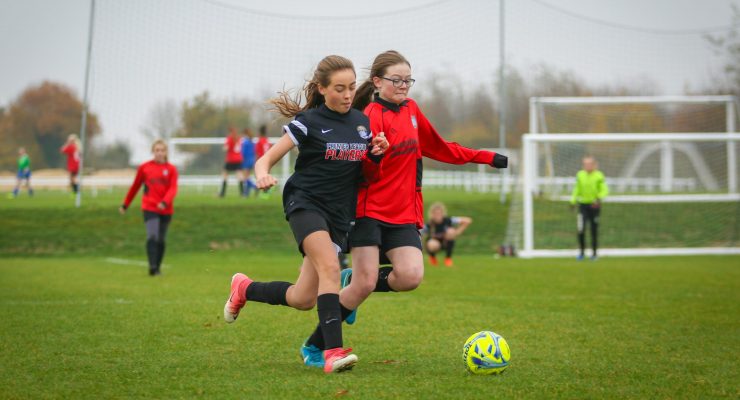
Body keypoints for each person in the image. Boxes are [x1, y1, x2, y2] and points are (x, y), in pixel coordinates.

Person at [299, 50, 508, 367]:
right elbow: (355, 168)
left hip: (404, 213)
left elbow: (438, 146)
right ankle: (316, 347)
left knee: (410, 276)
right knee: (364, 284)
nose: (404, 86)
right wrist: (373, 158)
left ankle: (350, 280)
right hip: (367, 211)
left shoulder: (411, 109)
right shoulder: (365, 117)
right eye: (396, 80)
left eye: (408, 80)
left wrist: (486, 157)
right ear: (378, 82)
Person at [221, 55, 389, 374]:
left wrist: (377, 154)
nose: (347, 94)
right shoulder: (308, 121)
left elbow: (365, 176)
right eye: (339, 88)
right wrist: (261, 174)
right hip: (306, 204)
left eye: (351, 87)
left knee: (302, 298)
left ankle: (244, 288)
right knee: (330, 266)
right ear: (322, 89)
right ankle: (333, 352)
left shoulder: (362, 123)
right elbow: (266, 158)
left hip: (339, 215)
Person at [119, 140, 179, 276]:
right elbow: (135, 186)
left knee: (161, 239)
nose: (159, 153)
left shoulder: (171, 169)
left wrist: (165, 202)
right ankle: (152, 267)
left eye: (162, 150)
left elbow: (173, 188)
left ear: (166, 152)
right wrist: (125, 204)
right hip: (149, 207)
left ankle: (157, 267)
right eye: (157, 150)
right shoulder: (144, 167)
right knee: (152, 236)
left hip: (166, 209)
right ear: (153, 151)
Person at [570, 156, 608, 261]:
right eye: (585, 164)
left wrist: (598, 199)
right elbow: (576, 189)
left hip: (594, 206)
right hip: (582, 206)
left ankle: (594, 254)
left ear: (594, 165)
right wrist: (572, 201)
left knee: (593, 229)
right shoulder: (580, 175)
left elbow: (604, 190)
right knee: (581, 229)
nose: (587, 166)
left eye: (589, 164)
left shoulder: (599, 176)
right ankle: (581, 253)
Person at [423, 202, 472, 267]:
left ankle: (448, 258)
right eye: (436, 213)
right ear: (432, 214)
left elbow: (468, 220)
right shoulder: (429, 224)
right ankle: (432, 258)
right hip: (435, 244)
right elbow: (420, 233)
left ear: (443, 213)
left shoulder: (449, 220)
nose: (438, 215)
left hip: (446, 242)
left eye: (439, 213)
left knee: (450, 231)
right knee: (431, 244)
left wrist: (457, 232)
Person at [219, 127, 244, 197]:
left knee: (225, 174)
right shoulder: (238, 138)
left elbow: (226, 148)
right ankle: (242, 193)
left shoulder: (230, 138)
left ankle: (222, 193)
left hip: (231, 159)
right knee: (239, 175)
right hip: (238, 159)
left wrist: (224, 148)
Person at [255, 124, 273, 199]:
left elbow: (257, 153)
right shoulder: (267, 141)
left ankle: (262, 193)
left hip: (262, 161)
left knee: (260, 177)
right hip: (268, 161)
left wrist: (257, 162)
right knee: (266, 177)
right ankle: (266, 192)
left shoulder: (259, 141)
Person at [240, 128, 258, 197]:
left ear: (244, 134)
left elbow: (243, 153)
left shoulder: (245, 142)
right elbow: (254, 151)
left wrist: (241, 160)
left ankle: (255, 187)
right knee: (247, 177)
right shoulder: (251, 141)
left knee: (246, 178)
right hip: (252, 160)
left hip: (246, 161)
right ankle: (246, 194)